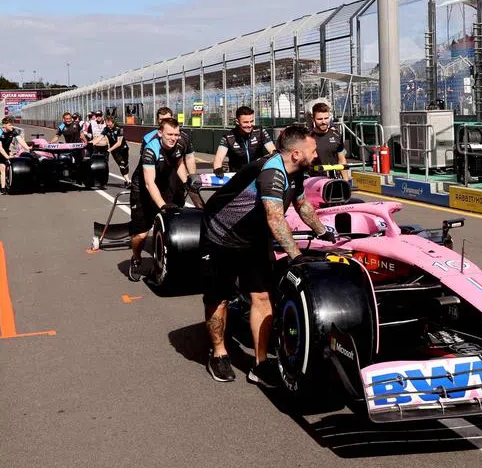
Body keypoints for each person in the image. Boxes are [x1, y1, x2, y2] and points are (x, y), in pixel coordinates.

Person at [200, 124, 331, 385]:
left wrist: (323, 232)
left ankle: (260, 364)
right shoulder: (271, 173)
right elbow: (275, 218)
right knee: (219, 297)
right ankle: (219, 353)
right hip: (222, 235)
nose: (316, 155)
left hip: (254, 237)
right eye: (312, 151)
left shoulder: (296, 172)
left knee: (261, 295)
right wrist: (296, 256)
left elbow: (302, 205)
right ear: (295, 154)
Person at [127, 118, 187, 282]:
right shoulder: (151, 150)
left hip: (165, 186)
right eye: (169, 134)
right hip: (143, 191)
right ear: (160, 133)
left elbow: (180, 164)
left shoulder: (179, 145)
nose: (173, 138)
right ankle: (137, 259)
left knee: (168, 228)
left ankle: (161, 264)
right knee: (141, 235)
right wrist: (163, 206)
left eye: (176, 134)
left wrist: (188, 182)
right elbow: (149, 183)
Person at [212, 105, 275, 175]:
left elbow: (273, 151)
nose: (249, 125)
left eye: (251, 121)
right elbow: (219, 158)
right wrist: (217, 169)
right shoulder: (228, 137)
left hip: (258, 175)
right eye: (245, 122)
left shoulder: (260, 131)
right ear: (237, 121)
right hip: (237, 176)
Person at [306, 99, 349, 180]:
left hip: (333, 180)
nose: (323, 122)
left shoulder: (336, 135)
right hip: (314, 181)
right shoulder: (308, 138)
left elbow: (341, 159)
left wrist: (346, 181)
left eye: (326, 118)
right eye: (320, 119)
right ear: (313, 119)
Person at [0, 115, 31, 192]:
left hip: (5, 150)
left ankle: (3, 188)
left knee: (3, 168)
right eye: (10, 125)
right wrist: (7, 156)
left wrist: (27, 148)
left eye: (12, 124)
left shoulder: (13, 131)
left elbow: (20, 140)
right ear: (4, 125)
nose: (12, 126)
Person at [95, 114, 131, 185]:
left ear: (113, 122)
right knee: (121, 164)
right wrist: (93, 143)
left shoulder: (119, 129)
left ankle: (127, 180)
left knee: (125, 164)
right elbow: (100, 137)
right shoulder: (106, 129)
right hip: (115, 151)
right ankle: (128, 181)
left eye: (109, 125)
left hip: (123, 148)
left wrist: (109, 150)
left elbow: (119, 143)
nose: (108, 126)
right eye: (107, 124)